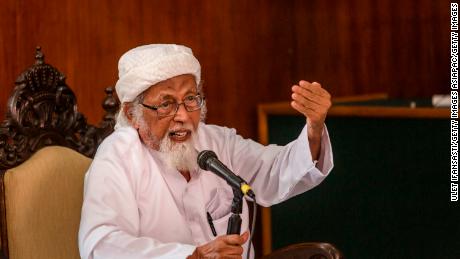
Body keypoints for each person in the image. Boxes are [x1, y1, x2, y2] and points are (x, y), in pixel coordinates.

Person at [78, 44, 333, 259]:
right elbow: (101, 244)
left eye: (191, 99)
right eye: (166, 104)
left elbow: (276, 170)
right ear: (131, 114)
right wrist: (190, 255)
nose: (183, 116)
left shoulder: (217, 142)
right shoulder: (117, 156)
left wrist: (313, 129)